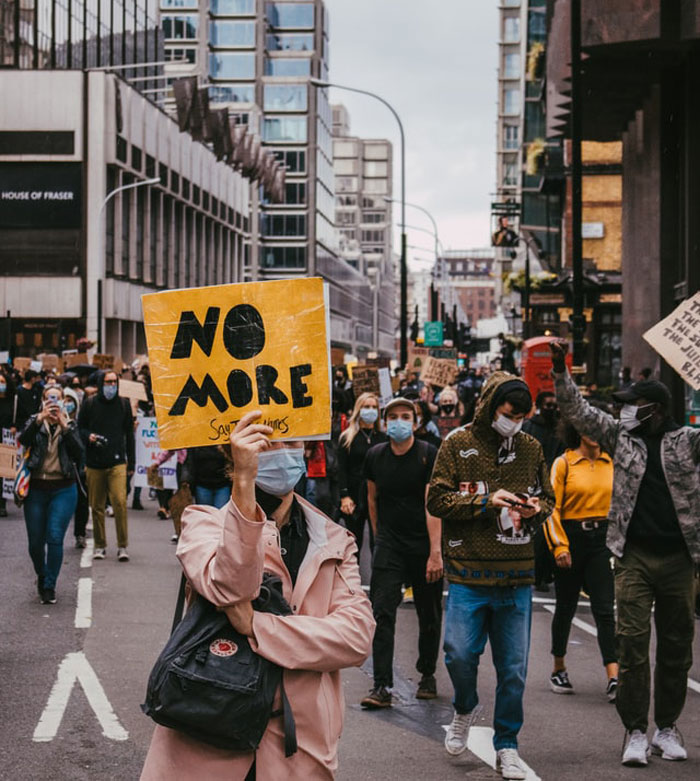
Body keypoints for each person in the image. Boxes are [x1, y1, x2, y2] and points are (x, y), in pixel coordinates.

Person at [140, 411, 375, 780]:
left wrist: (258, 626)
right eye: (270, 441)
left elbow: (355, 638)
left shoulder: (334, 539)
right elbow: (231, 587)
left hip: (296, 750)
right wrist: (245, 483)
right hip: (208, 735)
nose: (284, 450)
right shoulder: (203, 523)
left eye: (293, 442)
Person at [550, 341, 700, 767]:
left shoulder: (688, 442)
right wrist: (560, 370)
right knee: (631, 644)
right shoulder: (620, 437)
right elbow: (578, 412)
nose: (624, 412)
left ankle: (666, 728)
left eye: (632, 405)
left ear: (653, 408)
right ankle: (635, 731)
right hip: (632, 557)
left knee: (676, 647)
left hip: (679, 560)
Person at [427, 372, 554, 781]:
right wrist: (485, 501)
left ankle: (508, 745)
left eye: (521, 416)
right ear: (489, 407)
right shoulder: (457, 443)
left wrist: (537, 508)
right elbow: (436, 498)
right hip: (467, 574)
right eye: (508, 414)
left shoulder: (532, 448)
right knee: (459, 654)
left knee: (514, 670)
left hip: (517, 576)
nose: (514, 422)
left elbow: (549, 498)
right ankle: (465, 705)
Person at [360, 397, 443, 708]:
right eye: (393, 416)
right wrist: (380, 538)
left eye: (405, 416)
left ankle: (428, 674)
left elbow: (431, 505)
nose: (399, 421)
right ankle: (381, 685)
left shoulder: (427, 455)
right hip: (390, 543)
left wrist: (436, 552)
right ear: (384, 422)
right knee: (382, 611)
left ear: (415, 422)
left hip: (423, 543)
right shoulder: (375, 456)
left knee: (429, 612)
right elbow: (372, 499)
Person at [543, 416, 618, 700]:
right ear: (577, 430)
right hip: (571, 537)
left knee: (604, 607)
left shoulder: (611, 462)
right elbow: (551, 507)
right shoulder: (563, 463)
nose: (595, 434)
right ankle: (558, 667)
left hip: (602, 540)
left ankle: (613, 675)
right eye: (589, 428)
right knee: (566, 606)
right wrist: (560, 546)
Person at [19, 385, 84, 604]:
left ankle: (49, 585)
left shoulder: (70, 424)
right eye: (50, 398)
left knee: (55, 536)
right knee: (35, 543)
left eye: (58, 398)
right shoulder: (35, 421)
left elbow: (79, 453)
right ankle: (42, 573)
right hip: (36, 488)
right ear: (44, 401)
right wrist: (39, 419)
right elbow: (23, 439)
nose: (54, 403)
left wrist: (65, 427)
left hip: (63, 488)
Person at [77, 370, 135, 562]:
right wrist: (89, 437)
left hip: (117, 462)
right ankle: (100, 545)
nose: (112, 385)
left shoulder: (124, 405)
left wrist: (131, 462)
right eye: (108, 382)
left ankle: (122, 545)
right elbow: (80, 428)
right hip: (95, 463)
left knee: (119, 502)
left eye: (114, 382)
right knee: (97, 506)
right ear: (101, 383)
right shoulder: (90, 404)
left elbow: (129, 435)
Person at [522, 391, 566, 592]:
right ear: (539, 406)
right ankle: (539, 574)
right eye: (548, 405)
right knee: (539, 533)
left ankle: (547, 573)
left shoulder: (561, 429)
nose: (553, 409)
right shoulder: (529, 428)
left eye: (555, 406)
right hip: (534, 485)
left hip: (556, 483)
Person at [337, 392, 387, 558]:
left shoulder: (384, 438)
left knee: (378, 541)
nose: (370, 410)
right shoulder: (347, 438)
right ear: (359, 410)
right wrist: (344, 496)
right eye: (366, 407)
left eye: (374, 407)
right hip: (354, 495)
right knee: (353, 543)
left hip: (378, 496)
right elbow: (341, 469)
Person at [64, 386, 89, 549]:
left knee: (81, 503)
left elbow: (81, 447)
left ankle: (80, 534)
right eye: (64, 401)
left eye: (70, 401)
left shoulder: (80, 423)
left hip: (77, 470)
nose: (67, 404)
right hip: (60, 470)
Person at [0, 366, 16, 517]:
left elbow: (19, 418)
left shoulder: (13, 401)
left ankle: (2, 504)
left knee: (4, 474)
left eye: (2, 381)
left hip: (6, 440)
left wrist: (14, 426)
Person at [13, 369, 42, 434]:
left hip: (32, 422)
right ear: (32, 379)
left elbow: (37, 406)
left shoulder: (35, 391)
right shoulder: (18, 391)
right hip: (20, 422)